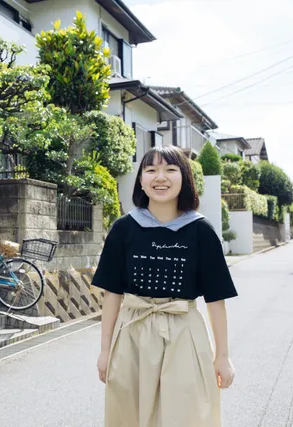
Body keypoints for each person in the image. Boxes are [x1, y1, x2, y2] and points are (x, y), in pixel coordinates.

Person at [93, 146, 238, 427]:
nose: (160, 177)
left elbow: (216, 298)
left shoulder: (201, 231)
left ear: (184, 177)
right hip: (132, 334)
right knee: (129, 415)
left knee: (187, 414)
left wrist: (222, 357)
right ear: (141, 181)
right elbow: (112, 293)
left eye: (170, 169)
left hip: (184, 333)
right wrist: (105, 351)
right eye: (151, 170)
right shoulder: (124, 228)